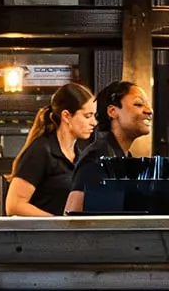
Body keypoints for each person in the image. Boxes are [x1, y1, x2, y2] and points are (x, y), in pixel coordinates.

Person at [4, 83, 95, 217]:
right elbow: (14, 205)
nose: (94, 122)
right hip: (41, 236)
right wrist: (57, 224)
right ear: (66, 116)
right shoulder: (41, 150)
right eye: (87, 116)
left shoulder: (80, 157)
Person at [65, 81, 153, 214]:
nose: (149, 110)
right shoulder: (98, 157)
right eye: (138, 104)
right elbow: (72, 215)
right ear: (112, 111)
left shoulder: (122, 156)